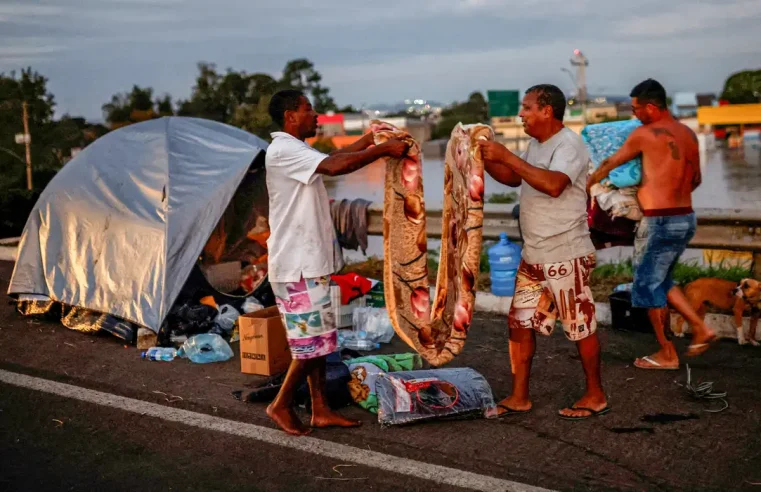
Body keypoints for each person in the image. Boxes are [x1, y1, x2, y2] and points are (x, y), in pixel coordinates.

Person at [264, 90, 409, 435]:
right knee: (311, 345)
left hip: (309, 263)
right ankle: (280, 404)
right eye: (308, 109)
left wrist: (368, 139)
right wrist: (383, 150)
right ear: (290, 116)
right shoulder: (282, 149)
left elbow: (334, 156)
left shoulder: (297, 150)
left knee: (320, 341)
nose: (315, 115)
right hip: (296, 265)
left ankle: (320, 409)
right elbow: (334, 166)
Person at [478, 84, 608, 420]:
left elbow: (553, 184)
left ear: (547, 110)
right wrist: (485, 158)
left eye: (527, 107)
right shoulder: (535, 144)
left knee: (579, 326)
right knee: (519, 324)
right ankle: (520, 396)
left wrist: (507, 155)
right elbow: (513, 178)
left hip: (566, 250)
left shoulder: (570, 144)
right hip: (534, 253)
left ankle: (595, 394)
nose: (521, 113)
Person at [587, 79, 716, 369]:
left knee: (645, 286)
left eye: (635, 109)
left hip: (660, 221)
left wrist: (589, 183)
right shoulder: (688, 134)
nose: (634, 115)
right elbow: (696, 179)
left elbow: (611, 162)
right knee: (662, 280)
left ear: (651, 107)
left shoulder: (644, 134)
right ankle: (699, 327)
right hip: (685, 217)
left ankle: (668, 353)